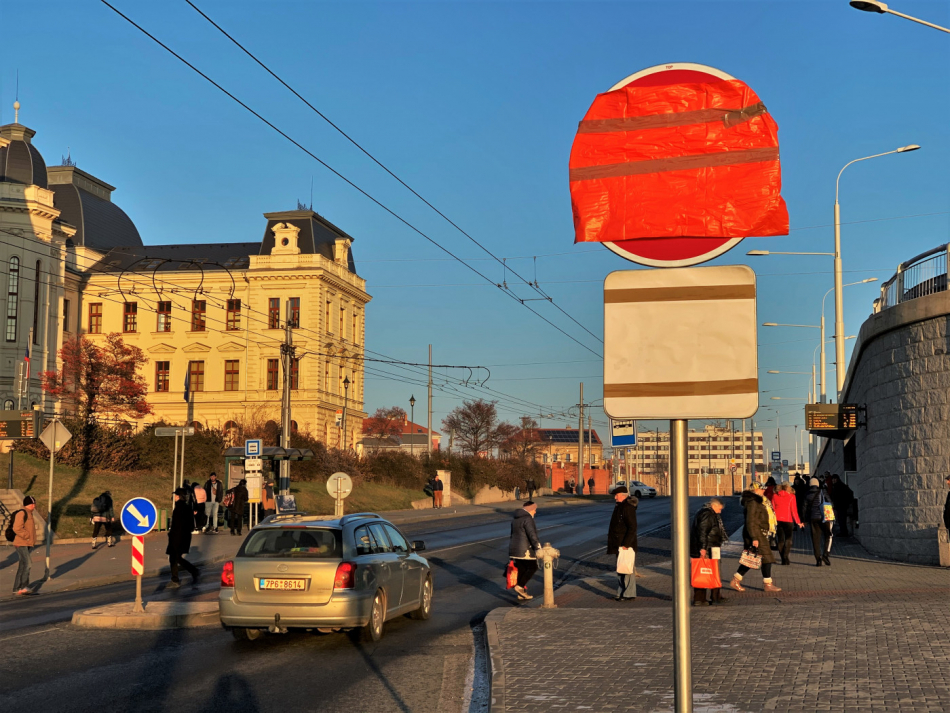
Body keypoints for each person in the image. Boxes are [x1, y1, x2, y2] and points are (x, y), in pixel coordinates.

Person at [730, 482, 781, 593]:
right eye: (761, 489)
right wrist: (754, 537)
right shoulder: (753, 502)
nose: (764, 491)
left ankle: (737, 579)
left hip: (761, 533)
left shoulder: (760, 500)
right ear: (755, 490)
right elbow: (750, 521)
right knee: (763, 558)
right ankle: (767, 584)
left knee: (755, 558)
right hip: (756, 533)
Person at [689, 497, 728, 605]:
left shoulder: (707, 513)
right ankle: (707, 598)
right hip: (708, 547)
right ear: (713, 506)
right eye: (719, 509)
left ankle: (709, 597)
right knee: (709, 571)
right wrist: (703, 548)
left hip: (711, 546)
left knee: (707, 572)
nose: (720, 512)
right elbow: (703, 532)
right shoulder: (707, 514)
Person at [607, 486, 638, 601]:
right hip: (619, 544)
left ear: (622, 495)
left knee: (627, 569)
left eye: (617, 495)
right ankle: (621, 592)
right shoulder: (619, 506)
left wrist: (626, 544)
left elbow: (632, 527)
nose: (615, 497)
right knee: (621, 569)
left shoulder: (627, 507)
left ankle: (628, 593)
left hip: (625, 545)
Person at [166, 488, 200, 588]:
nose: (174, 497)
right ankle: (192, 572)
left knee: (175, 558)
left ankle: (177, 579)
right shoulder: (187, 507)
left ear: (178, 497)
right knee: (176, 558)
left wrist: (171, 536)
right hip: (184, 537)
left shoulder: (178, 508)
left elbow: (176, 526)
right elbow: (191, 525)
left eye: (175, 495)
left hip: (177, 538)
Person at [509, 501, 542, 599]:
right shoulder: (528, 519)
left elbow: (512, 535)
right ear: (530, 510)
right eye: (534, 510)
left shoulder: (515, 519)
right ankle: (519, 586)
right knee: (533, 567)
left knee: (522, 569)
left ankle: (521, 593)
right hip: (525, 549)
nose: (535, 512)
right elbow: (532, 535)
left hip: (514, 549)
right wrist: (538, 547)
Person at [12, 496, 38, 596]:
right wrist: (26, 536)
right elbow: (16, 528)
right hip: (21, 542)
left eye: (34, 503)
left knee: (22, 565)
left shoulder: (29, 513)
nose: (34, 505)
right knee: (28, 564)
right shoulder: (22, 513)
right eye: (32, 504)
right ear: (27, 504)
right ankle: (23, 587)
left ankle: (16, 588)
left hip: (26, 543)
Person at [772, 483, 803, 565]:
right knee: (788, 539)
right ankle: (785, 556)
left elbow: (772, 510)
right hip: (788, 520)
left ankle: (783, 558)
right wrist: (798, 522)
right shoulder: (791, 497)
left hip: (777, 520)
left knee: (780, 540)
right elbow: (794, 510)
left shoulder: (775, 496)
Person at [805, 477, 833, 566]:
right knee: (828, 535)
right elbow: (830, 502)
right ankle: (825, 554)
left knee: (815, 539)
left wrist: (804, 519)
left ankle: (818, 559)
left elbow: (804, 508)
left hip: (813, 519)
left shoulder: (807, 494)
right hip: (824, 517)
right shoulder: (822, 492)